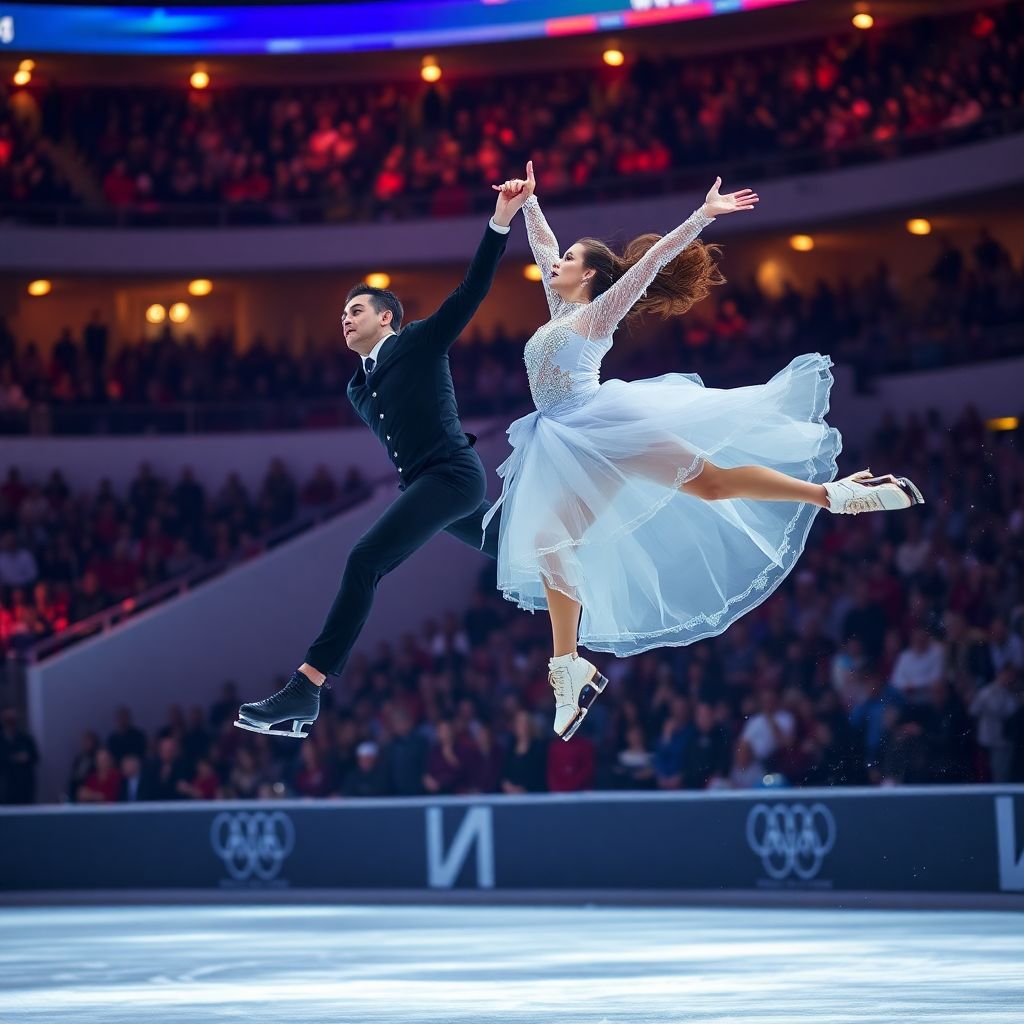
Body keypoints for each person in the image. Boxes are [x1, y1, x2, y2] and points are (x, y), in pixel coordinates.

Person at [484, 163, 924, 740]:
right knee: (550, 542)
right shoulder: (562, 307)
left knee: (711, 483)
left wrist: (703, 216)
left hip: (604, 426)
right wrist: (530, 204)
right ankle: (570, 670)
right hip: (567, 440)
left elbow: (652, 262)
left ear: (589, 276)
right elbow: (542, 245)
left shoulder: (596, 314)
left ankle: (836, 496)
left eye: (568, 260)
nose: (555, 263)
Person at [235, 172, 530, 738]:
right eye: (342, 314)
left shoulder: (419, 342)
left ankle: (307, 687)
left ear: (386, 317)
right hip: (435, 488)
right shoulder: (357, 386)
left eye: (356, 310)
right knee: (514, 549)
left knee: (364, 561)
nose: (345, 319)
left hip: (450, 477)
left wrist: (500, 221)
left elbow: (470, 292)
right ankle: (589, 578)